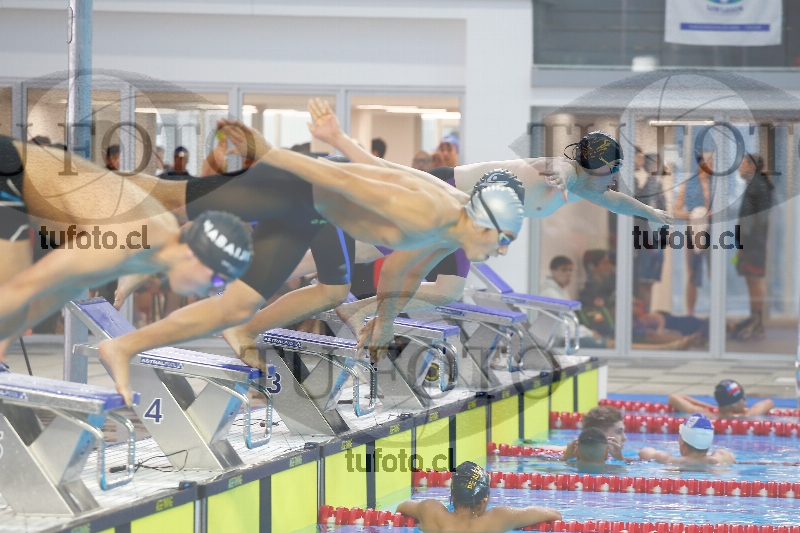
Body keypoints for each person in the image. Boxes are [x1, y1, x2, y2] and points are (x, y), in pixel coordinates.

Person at [96, 117, 524, 401]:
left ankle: (123, 345)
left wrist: (384, 320)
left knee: (246, 303)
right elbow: (340, 176)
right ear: (483, 224)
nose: (502, 251)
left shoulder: (454, 228)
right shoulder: (427, 213)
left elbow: (403, 271)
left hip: (316, 212)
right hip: (299, 187)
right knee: (176, 200)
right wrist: (269, 153)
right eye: (503, 240)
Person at [302, 100, 671, 348]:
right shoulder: (563, 174)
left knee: (443, 289)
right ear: (593, 169)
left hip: (465, 217)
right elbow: (555, 165)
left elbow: (616, 201)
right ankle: (305, 266)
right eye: (612, 172)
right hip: (445, 195)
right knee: (369, 252)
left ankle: (355, 305)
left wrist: (652, 213)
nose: (613, 181)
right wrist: (559, 174)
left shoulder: (584, 188)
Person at [0, 140, 255, 390]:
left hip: (19, 179)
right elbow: (27, 285)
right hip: (9, 169)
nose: (213, 290)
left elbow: (68, 288)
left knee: (13, 316)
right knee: (14, 296)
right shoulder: (126, 239)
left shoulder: (158, 246)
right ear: (193, 254)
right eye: (217, 280)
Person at [396, 461, 561, 533]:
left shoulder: (430, 511)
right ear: (484, 500)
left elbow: (402, 507)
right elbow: (554, 514)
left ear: (452, 494)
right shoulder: (498, 518)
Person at [731, 153, 773, 341]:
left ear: (752, 166)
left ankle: (757, 325)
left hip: (753, 244)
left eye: (743, 164)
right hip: (752, 243)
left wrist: (745, 243)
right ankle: (756, 323)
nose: (740, 168)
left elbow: (756, 219)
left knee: (754, 281)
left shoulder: (758, 186)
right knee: (752, 281)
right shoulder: (756, 185)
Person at [540, 255, 609, 349]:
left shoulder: (562, 291)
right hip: (557, 343)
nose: (568, 274)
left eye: (570, 270)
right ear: (553, 271)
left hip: (568, 337)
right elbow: (562, 331)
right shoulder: (550, 294)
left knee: (607, 342)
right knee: (608, 344)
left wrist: (588, 333)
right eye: (564, 270)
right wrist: (589, 333)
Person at [675, 152, 714, 316]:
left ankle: (715, 312)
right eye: (710, 162)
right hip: (693, 230)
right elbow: (676, 210)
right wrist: (692, 214)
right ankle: (690, 313)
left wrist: (711, 213)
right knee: (693, 272)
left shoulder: (716, 184)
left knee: (714, 270)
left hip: (712, 231)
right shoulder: (689, 184)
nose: (713, 166)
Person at [633, 153, 667, 313]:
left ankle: (645, 312)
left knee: (648, 281)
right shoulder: (649, 186)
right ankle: (643, 313)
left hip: (654, 239)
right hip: (648, 239)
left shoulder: (655, 185)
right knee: (645, 281)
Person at [639, 413, 735, 465]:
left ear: (682, 442)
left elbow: (644, 452)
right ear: (709, 444)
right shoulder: (722, 457)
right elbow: (731, 457)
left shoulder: (670, 461)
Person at [668, 379, 774, 419]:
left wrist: (708, 406)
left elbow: (674, 397)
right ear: (734, 404)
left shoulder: (708, 415)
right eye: (742, 398)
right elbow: (769, 402)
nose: (745, 401)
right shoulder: (748, 416)